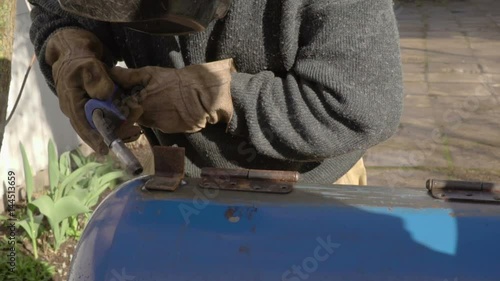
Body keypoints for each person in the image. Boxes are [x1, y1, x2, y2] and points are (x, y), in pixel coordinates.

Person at [28, 0, 404, 185]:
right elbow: (52, 7)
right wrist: (65, 46)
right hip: (187, 179)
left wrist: (217, 97)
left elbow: (363, 105)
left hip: (313, 188)